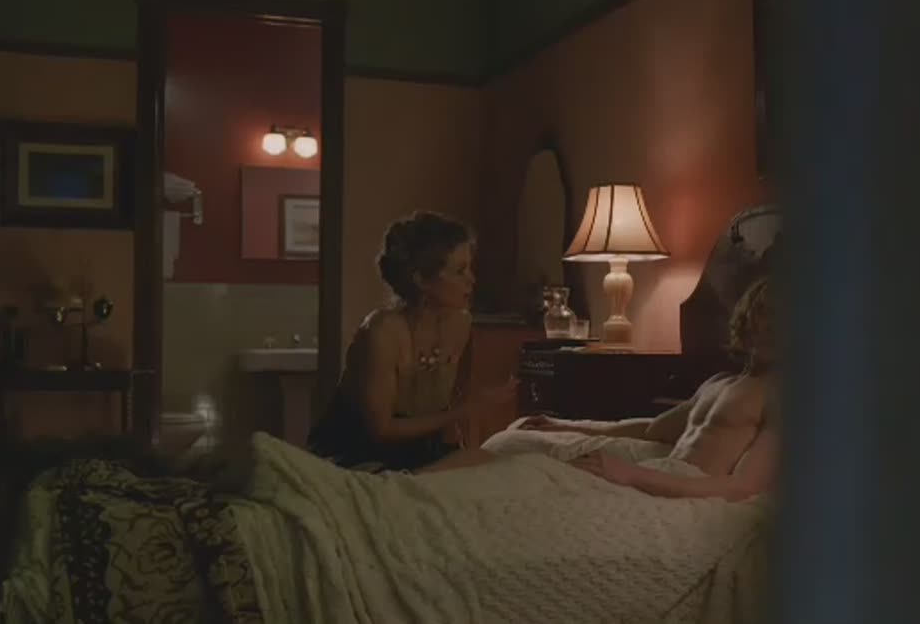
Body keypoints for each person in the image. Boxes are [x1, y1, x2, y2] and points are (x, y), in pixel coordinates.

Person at [425, 277, 780, 503]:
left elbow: (743, 487)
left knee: (527, 477)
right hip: (657, 472)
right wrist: (565, 425)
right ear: (747, 317)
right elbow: (653, 429)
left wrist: (632, 474)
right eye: (763, 313)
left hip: (671, 491)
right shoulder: (720, 382)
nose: (768, 327)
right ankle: (408, 491)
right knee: (510, 456)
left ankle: (412, 499)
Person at [308, 211, 516, 472]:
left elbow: (443, 415)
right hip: (357, 451)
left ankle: (415, 480)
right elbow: (382, 429)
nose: (471, 280)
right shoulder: (383, 332)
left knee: (488, 462)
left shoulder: (460, 323)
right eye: (459, 271)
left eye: (470, 268)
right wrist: (467, 409)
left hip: (419, 451)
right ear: (421, 280)